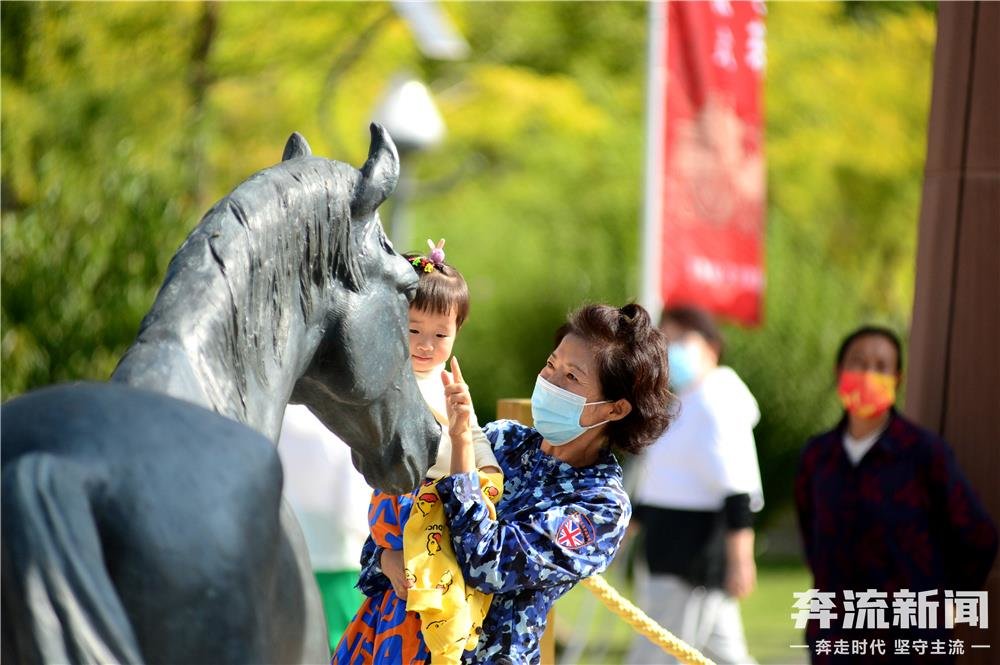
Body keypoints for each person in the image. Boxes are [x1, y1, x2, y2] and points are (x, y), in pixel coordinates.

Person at [348, 302, 672, 664]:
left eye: (571, 377)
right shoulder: (503, 441)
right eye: (551, 365)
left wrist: (463, 455)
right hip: (398, 645)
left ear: (615, 409)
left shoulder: (600, 506)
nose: (549, 380)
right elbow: (397, 523)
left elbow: (486, 562)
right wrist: (386, 558)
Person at [335, 240, 503, 665]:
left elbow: (483, 474)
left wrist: (464, 436)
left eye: (441, 334)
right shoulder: (380, 384)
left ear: (457, 332)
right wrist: (387, 552)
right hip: (394, 552)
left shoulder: (452, 391)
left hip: (442, 556)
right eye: (413, 330)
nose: (425, 344)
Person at [794, 325, 998, 663]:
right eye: (858, 363)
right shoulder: (818, 456)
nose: (868, 374)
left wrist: (953, 606)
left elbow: (978, 535)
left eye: (881, 366)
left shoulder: (923, 453)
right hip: (836, 637)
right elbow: (811, 534)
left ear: (897, 378)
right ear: (839, 371)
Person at [627, 306, 763, 665]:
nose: (673, 348)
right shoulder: (679, 404)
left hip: (691, 560)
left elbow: (737, 492)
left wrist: (741, 560)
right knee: (725, 656)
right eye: (667, 340)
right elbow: (661, 486)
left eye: (683, 339)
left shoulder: (717, 400)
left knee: (656, 657)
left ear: (712, 346)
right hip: (666, 551)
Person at [277, 403, 374, 651]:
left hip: (292, 549)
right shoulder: (341, 414)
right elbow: (352, 497)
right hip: (342, 556)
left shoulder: (284, 413)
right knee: (346, 645)